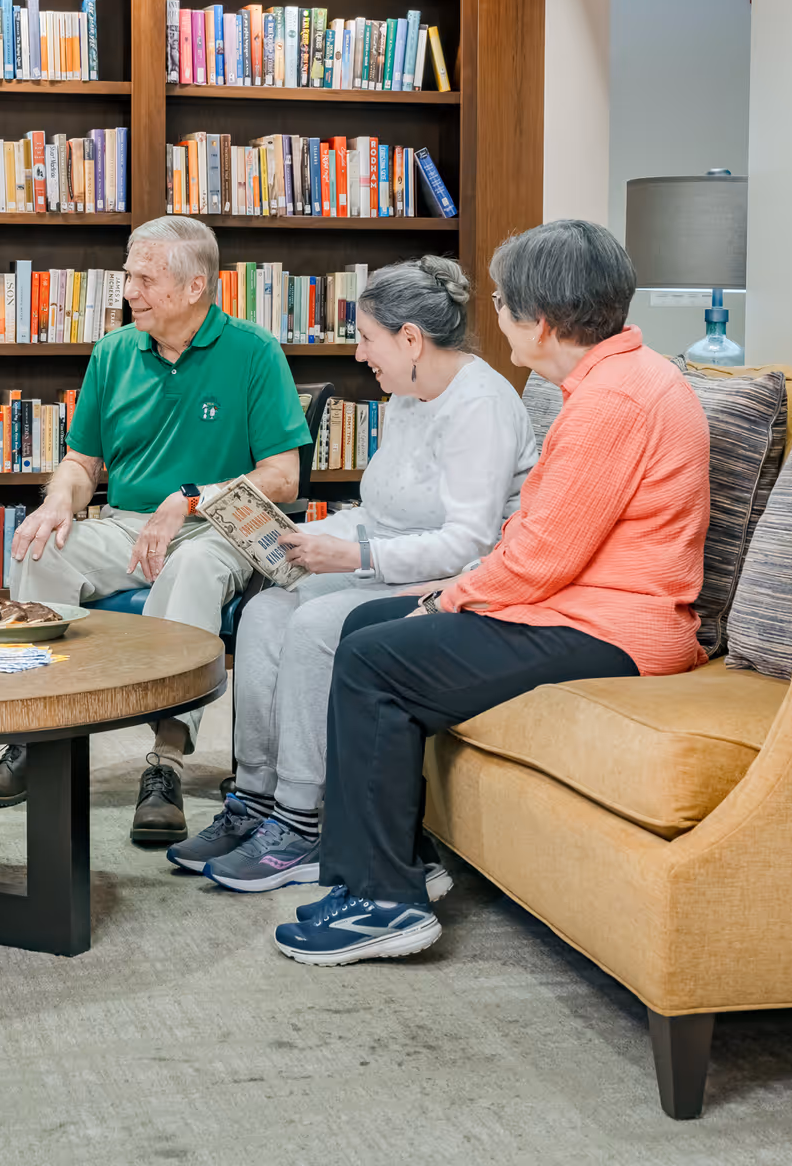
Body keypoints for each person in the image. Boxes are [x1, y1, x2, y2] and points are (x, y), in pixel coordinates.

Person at [270, 219, 713, 966]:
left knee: (375, 659)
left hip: (613, 629)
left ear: (538, 321)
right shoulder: (610, 381)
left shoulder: (613, 402)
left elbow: (539, 559)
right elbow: (542, 539)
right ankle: (394, 862)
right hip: (579, 607)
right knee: (368, 626)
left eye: (503, 301)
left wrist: (451, 597)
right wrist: (454, 585)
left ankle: (384, 905)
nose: (494, 315)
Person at [167, 256, 538, 893]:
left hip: (454, 576)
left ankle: (305, 821)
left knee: (313, 623)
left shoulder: (481, 406)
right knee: (264, 612)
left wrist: (356, 557)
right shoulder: (407, 396)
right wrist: (308, 538)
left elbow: (466, 541)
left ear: (412, 339)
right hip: (390, 558)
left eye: (367, 337)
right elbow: (384, 513)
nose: (360, 353)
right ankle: (256, 797)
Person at [0, 216, 310, 844]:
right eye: (129, 275)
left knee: (192, 568)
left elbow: (282, 477)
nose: (128, 291)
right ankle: (32, 743)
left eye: (145, 278)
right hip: (124, 525)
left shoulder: (254, 352)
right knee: (43, 551)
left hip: (219, 529)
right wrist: (58, 501)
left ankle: (167, 764)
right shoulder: (114, 352)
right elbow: (82, 461)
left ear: (195, 286)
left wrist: (191, 498)